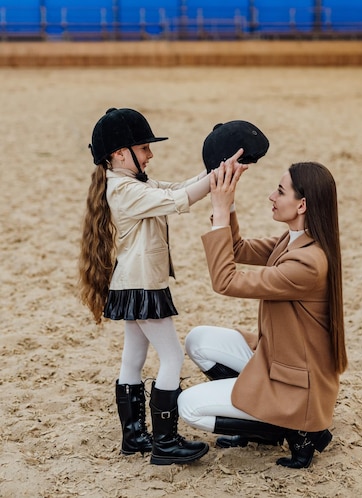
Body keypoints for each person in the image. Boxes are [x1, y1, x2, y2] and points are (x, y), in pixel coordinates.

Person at [178, 159, 348, 469]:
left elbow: (226, 281)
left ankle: (287, 426)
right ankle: (270, 425)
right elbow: (238, 247)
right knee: (197, 340)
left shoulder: (307, 264)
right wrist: (227, 205)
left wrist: (218, 210)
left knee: (188, 407)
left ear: (302, 205)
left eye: (280, 191)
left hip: (295, 384)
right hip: (277, 357)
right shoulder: (295, 240)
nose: (271, 195)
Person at [79, 107, 218, 466]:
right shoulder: (124, 190)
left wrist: (214, 172)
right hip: (142, 285)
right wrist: (217, 178)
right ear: (120, 154)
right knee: (172, 356)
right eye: (143, 148)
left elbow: (175, 188)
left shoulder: (132, 183)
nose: (150, 154)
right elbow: (177, 200)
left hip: (132, 282)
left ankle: (135, 437)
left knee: (134, 356)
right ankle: (165, 442)